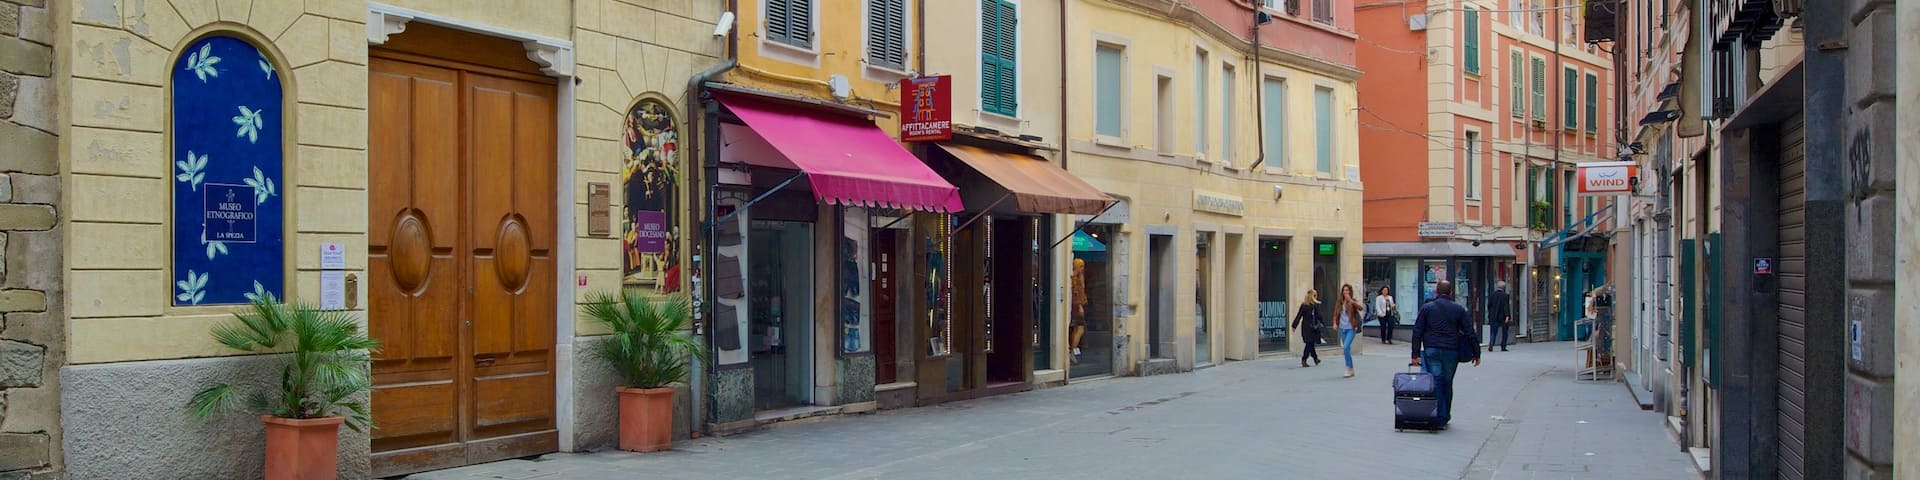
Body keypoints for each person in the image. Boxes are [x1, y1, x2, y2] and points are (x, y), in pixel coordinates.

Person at [1410, 280, 1479, 429]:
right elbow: (1469, 331)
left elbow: (1417, 331)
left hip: (1432, 350)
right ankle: (1445, 415)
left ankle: (1439, 416)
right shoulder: (1459, 309)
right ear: (1450, 293)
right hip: (1451, 351)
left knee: (1437, 382)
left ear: (1436, 292)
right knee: (1448, 382)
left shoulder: (1427, 308)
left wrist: (1415, 354)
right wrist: (1476, 353)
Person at [1335, 284, 1366, 378]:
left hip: (1351, 328)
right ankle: (1351, 368)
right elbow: (1335, 313)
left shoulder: (1352, 301)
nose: (1345, 292)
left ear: (1350, 291)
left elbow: (1361, 308)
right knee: (1346, 349)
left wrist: (1351, 301)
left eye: (1347, 290)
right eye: (1344, 290)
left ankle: (1348, 367)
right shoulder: (1340, 302)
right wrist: (1334, 323)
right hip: (1342, 328)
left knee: (1345, 347)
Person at [1291, 289, 1325, 368]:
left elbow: (1299, 316)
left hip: (1305, 327)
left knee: (1310, 343)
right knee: (1309, 344)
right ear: (1313, 296)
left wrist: (1294, 325)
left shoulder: (1304, 305)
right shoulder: (1315, 305)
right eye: (1315, 295)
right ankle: (1304, 359)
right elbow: (1319, 316)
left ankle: (1315, 358)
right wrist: (1323, 324)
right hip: (1313, 327)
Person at [1487, 281, 1512, 352]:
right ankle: (1503, 346)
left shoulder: (1492, 295)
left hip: (1493, 316)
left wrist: (1490, 314)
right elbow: (1506, 306)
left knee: (1493, 331)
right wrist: (1507, 316)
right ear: (1503, 287)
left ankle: (1491, 343)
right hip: (1502, 317)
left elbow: (1489, 305)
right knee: (1505, 332)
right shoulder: (1505, 295)